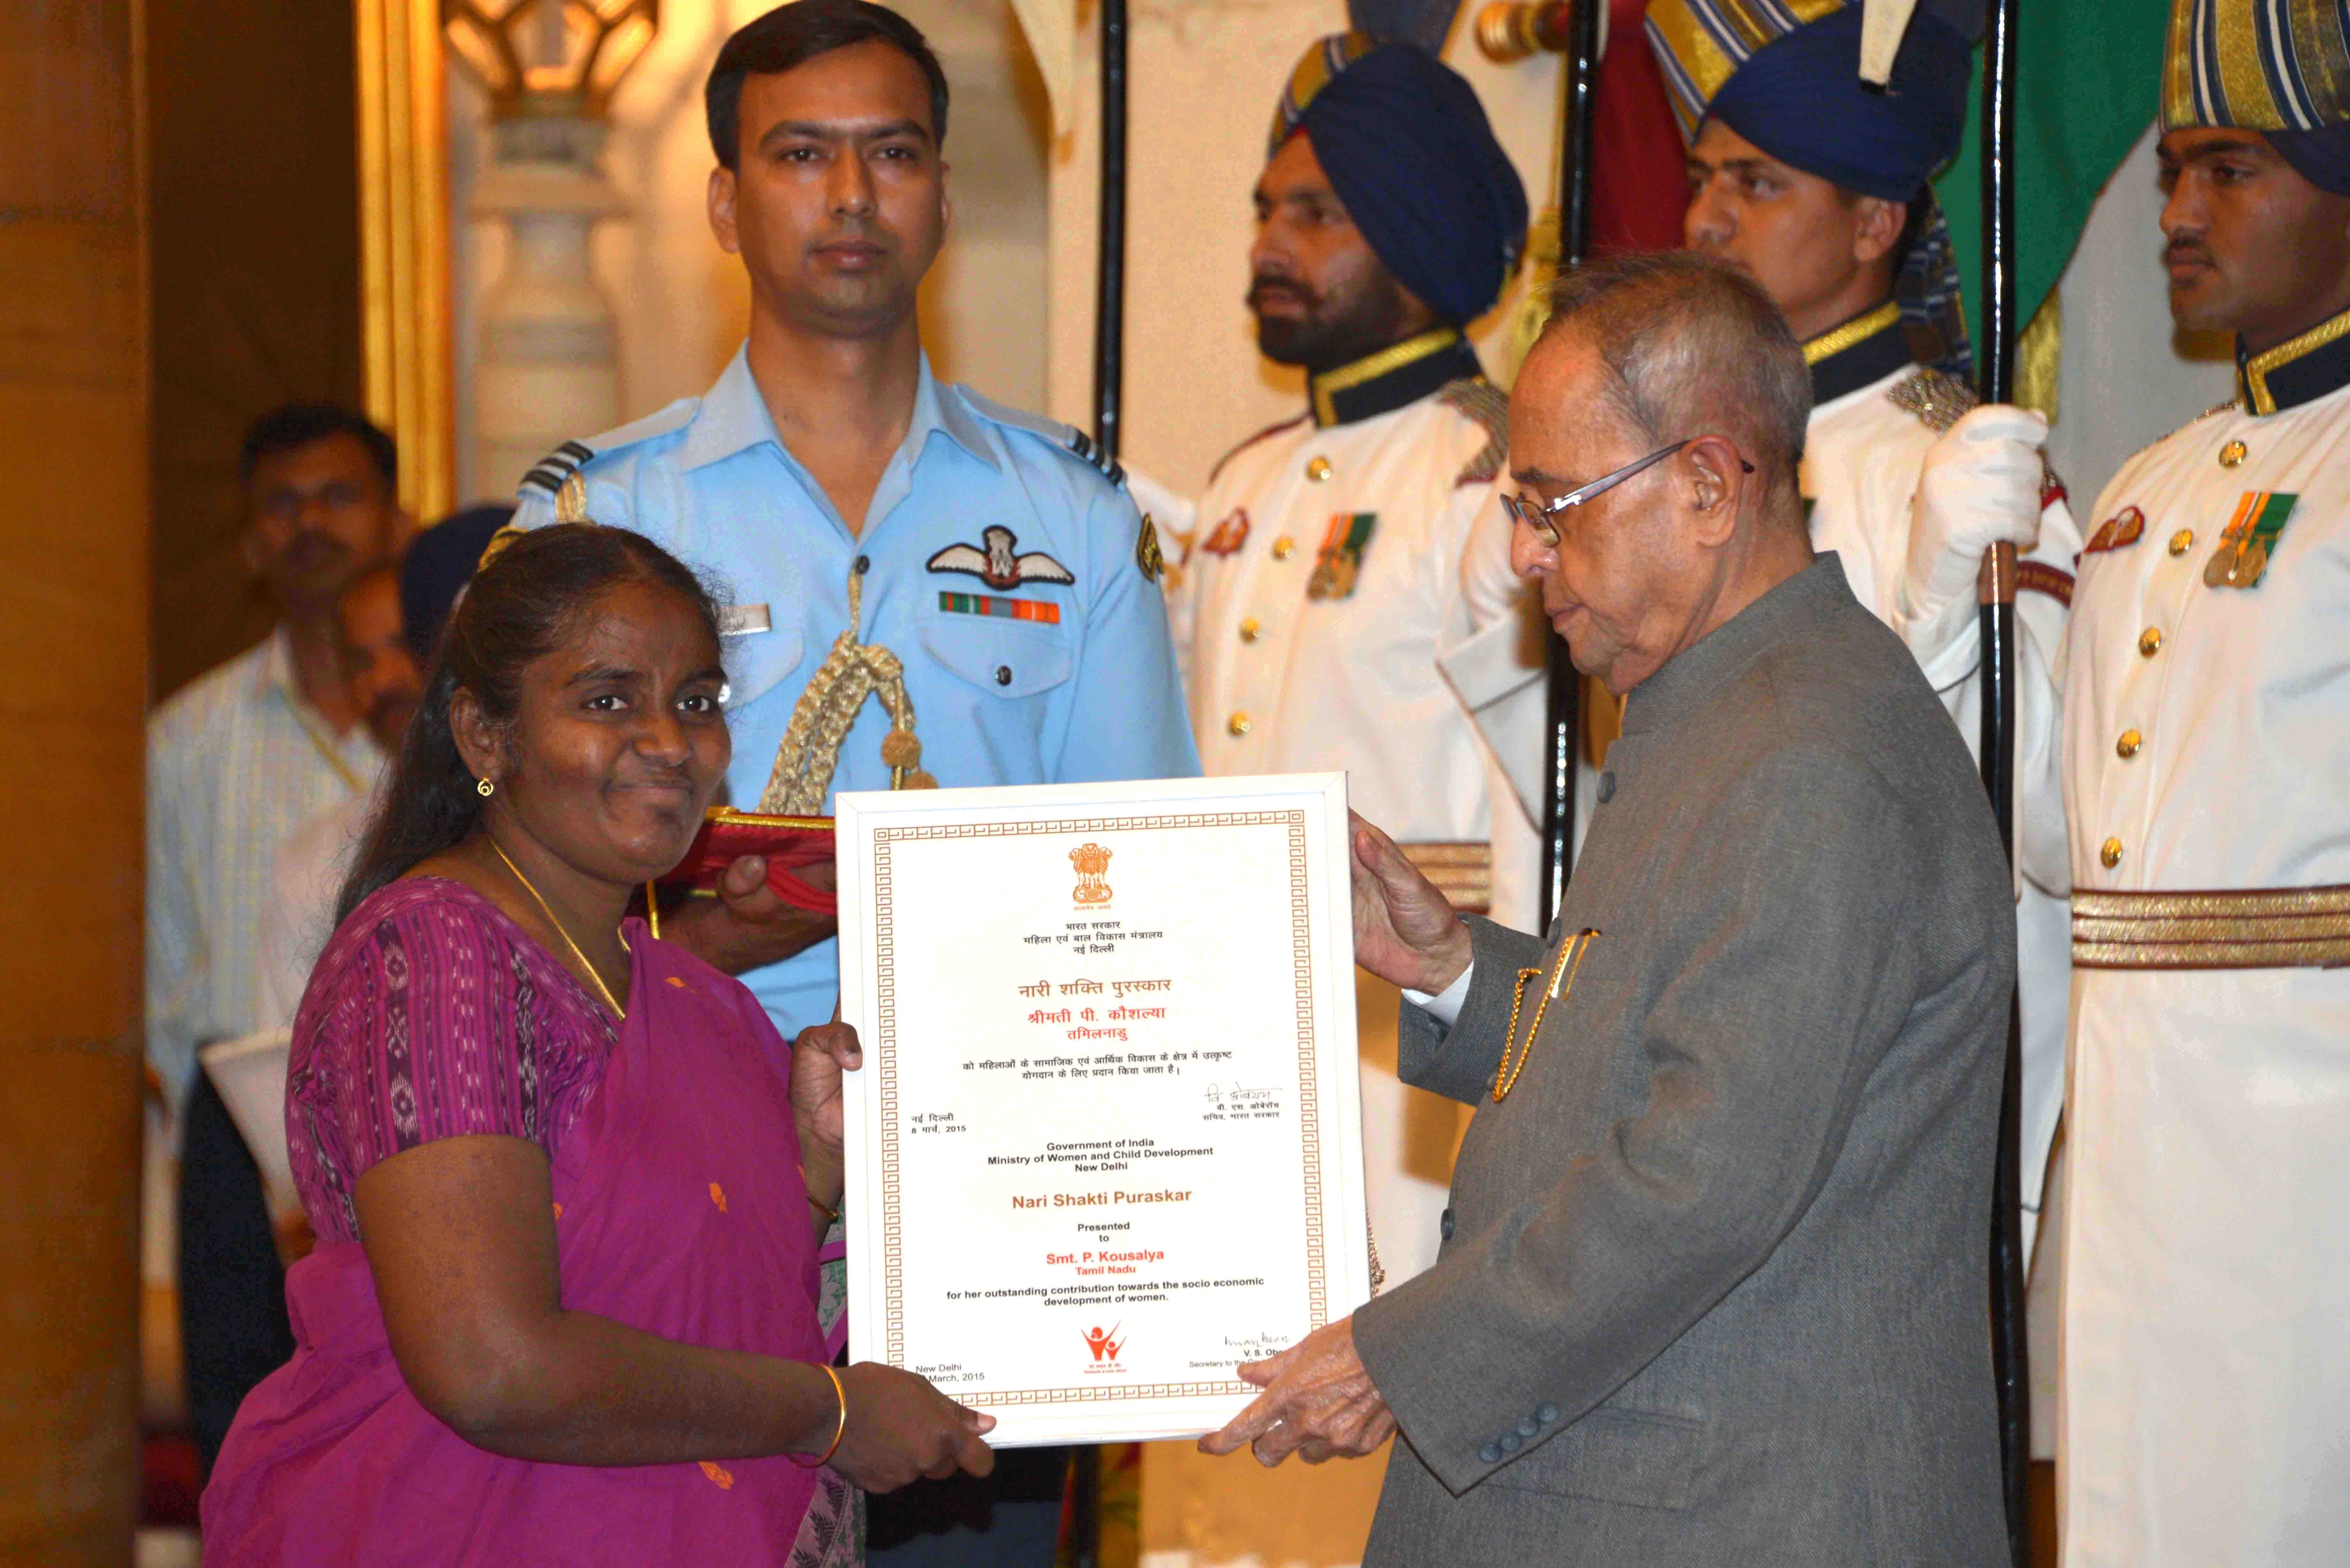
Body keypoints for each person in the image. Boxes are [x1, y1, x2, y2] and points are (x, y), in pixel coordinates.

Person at [503, 4, 1197, 1555]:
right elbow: (501, 903)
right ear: (724, 200)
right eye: (798, 154)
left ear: (940, 194)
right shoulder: (605, 511)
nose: (849, 196)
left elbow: (1145, 883)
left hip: (990, 1185)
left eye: (891, 154)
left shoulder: (1074, 516)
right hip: (683, 1175)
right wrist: (684, 950)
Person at [1200, 253, 2013, 1564]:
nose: (1524, 550)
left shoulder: (1807, 753)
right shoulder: (1735, 704)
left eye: (1551, 503)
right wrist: (1458, 973)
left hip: (1726, 1507)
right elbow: (1678, 1034)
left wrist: (1394, 1355)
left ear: (1705, 485)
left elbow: (1701, 1177)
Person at [201, 523, 995, 1563]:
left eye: (698, 702)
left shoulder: (689, 996)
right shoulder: (434, 951)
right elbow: (492, 1366)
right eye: (607, 699)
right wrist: (832, 1413)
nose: (672, 741)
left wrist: (806, 1176)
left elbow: (681, 1288)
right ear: (486, 737)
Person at [1654, 0, 2080, 1258]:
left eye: (1756, 181)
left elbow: (2044, 808)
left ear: (1875, 222)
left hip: (1885, 1078)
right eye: (1699, 180)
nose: (1704, 220)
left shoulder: (1954, 465)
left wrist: (1943, 599)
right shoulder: (1692, 459)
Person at [2056, 4, 2350, 1558]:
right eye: (2175, 168)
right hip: (2124, 1149)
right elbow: (2059, 844)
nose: (2176, 211)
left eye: (2230, 169)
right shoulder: (2143, 492)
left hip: (2310, 1171)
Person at [150, 401, 406, 1471]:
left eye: (339, 496)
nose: (310, 524)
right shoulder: (186, 738)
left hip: (410, 1104)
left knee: (408, 1431)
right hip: (238, 1123)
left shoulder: (447, 725)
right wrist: (213, 1151)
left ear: (395, 519)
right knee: (250, 1438)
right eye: (282, 505)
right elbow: (170, 971)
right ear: (254, 541)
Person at [255, 505, 510, 1029]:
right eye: (361, 661)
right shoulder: (320, 859)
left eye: (401, 648)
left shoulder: (587, 828)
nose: (385, 681)